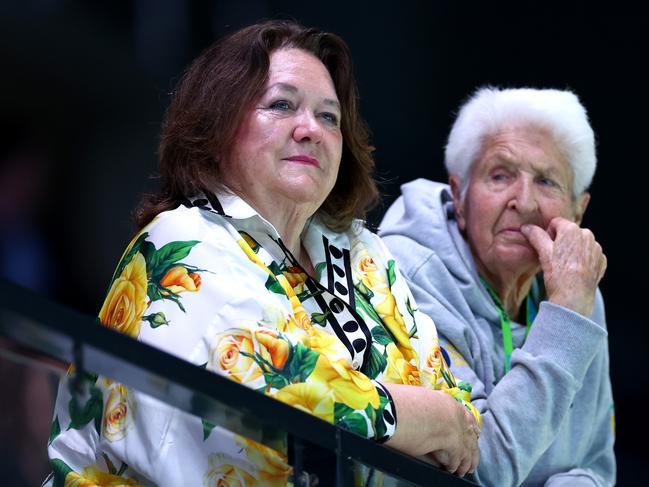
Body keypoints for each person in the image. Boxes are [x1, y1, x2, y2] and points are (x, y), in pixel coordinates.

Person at [45, 20, 481, 486]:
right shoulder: (180, 238)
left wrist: (440, 420)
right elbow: (272, 393)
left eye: (329, 117)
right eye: (282, 105)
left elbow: (458, 411)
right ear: (218, 124)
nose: (311, 129)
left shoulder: (363, 252)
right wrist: (416, 418)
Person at [379, 87, 615, 486]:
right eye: (500, 175)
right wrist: (568, 317)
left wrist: (572, 306)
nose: (523, 201)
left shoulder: (578, 290)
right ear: (460, 195)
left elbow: (594, 465)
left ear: (579, 210)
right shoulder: (407, 273)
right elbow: (478, 468)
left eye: (547, 181)